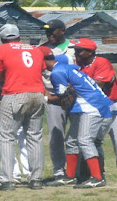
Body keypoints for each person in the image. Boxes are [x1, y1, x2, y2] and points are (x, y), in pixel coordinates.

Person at [43, 48, 117, 188]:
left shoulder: (58, 72)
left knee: (85, 140)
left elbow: (64, 100)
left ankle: (97, 177)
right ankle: (70, 176)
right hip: (93, 106)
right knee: (71, 140)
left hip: (92, 107)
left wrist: (44, 96)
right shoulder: (70, 69)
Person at [0, 23, 46, 190]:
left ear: (2, 38)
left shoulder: (1, 49)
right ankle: (36, 179)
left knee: (6, 136)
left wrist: (5, 80)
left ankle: (6, 179)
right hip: (38, 93)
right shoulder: (35, 49)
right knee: (34, 136)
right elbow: (37, 70)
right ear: (19, 36)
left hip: (14, 94)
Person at [74, 38, 117, 185]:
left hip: (113, 105)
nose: (76, 53)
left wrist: (76, 85)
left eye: (79, 50)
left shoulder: (101, 62)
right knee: (95, 141)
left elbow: (99, 85)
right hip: (95, 108)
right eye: (76, 50)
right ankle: (98, 175)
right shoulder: (77, 65)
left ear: (90, 52)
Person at [40, 19, 76, 183]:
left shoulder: (75, 47)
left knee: (77, 136)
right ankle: (59, 171)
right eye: (47, 31)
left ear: (62, 30)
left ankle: (77, 170)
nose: (49, 34)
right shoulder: (42, 49)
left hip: (76, 97)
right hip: (54, 98)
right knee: (56, 135)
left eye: (52, 30)